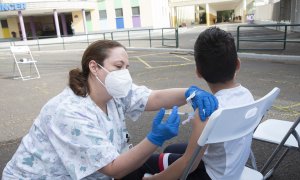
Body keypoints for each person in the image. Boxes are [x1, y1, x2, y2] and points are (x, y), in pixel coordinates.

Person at [2, 40, 218, 179]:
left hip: (100, 171)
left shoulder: (114, 93)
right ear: (94, 67)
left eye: (126, 67)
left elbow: (153, 97)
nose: (124, 73)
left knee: (190, 169)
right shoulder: (69, 111)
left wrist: (191, 93)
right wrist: (154, 138)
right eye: (118, 66)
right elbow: (114, 169)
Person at [143, 27, 255, 179]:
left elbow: (189, 164)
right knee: (171, 148)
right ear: (237, 64)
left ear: (198, 72)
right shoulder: (247, 95)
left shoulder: (207, 112)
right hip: (232, 167)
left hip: (211, 175)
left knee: (144, 163)